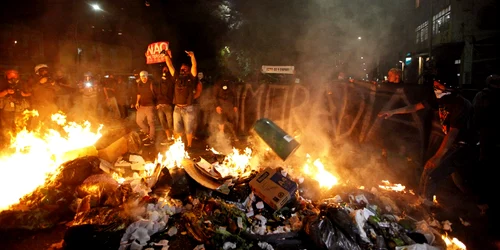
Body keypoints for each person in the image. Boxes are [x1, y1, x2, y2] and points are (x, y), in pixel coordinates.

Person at [378, 80, 473, 205]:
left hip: (462, 145)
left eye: (439, 86)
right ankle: (481, 204)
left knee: (431, 173)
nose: (436, 88)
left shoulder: (460, 105)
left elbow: (452, 134)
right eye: (435, 85)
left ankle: (424, 207)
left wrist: (437, 157)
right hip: (453, 143)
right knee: (460, 179)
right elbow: (415, 107)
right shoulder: (439, 98)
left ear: (450, 87)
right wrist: (392, 112)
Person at [472, 75, 500, 215]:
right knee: (491, 168)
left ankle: (483, 202)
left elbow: (475, 115)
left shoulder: (481, 96)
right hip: (492, 136)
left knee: (485, 167)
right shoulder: (485, 96)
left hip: (485, 136)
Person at [163, 49, 198, 149]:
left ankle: (189, 146)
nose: (182, 70)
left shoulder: (191, 78)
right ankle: (178, 146)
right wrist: (166, 55)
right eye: (181, 69)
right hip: (177, 108)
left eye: (184, 69)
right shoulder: (177, 77)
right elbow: (170, 66)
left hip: (188, 109)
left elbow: (194, 67)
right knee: (177, 129)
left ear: (188, 70)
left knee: (188, 130)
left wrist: (192, 57)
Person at [0, 69, 31, 143]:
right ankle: (7, 143)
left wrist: (24, 94)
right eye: (10, 76)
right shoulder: (2, 83)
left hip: (19, 108)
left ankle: (19, 143)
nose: (12, 78)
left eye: (14, 76)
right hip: (7, 109)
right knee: (6, 127)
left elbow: (31, 93)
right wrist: (6, 91)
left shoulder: (23, 84)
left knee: (20, 125)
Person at [153, 66, 175, 145]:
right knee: (163, 122)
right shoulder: (159, 81)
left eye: (166, 69)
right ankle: (169, 138)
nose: (164, 71)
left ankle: (175, 138)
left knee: (170, 122)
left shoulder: (170, 80)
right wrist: (157, 104)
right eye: (163, 69)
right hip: (160, 105)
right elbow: (156, 93)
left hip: (168, 104)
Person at [213, 75, 239, 141]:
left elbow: (235, 96)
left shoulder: (232, 85)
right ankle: (221, 136)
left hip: (229, 105)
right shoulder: (217, 84)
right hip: (221, 105)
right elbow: (215, 96)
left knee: (231, 121)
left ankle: (233, 136)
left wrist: (235, 106)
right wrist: (217, 106)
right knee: (221, 121)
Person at [135, 70, 156, 146]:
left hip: (150, 105)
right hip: (142, 106)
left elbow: (156, 93)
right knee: (138, 121)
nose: (143, 78)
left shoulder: (151, 83)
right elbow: (139, 93)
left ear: (147, 76)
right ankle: (148, 132)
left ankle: (152, 138)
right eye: (141, 77)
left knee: (151, 122)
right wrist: (137, 102)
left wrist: (157, 104)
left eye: (144, 77)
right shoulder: (139, 84)